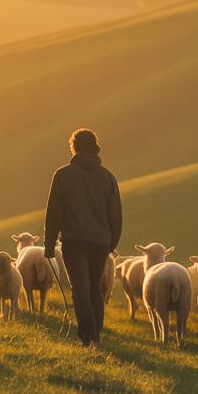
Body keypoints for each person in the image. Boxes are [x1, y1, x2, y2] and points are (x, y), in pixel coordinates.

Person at [44, 128, 123, 346]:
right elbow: (115, 215)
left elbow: (54, 213)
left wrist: (49, 246)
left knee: (80, 287)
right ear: (95, 147)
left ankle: (88, 337)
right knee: (95, 287)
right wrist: (110, 244)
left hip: (74, 241)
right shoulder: (108, 177)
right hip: (100, 242)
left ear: (74, 147)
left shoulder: (62, 175)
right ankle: (95, 335)